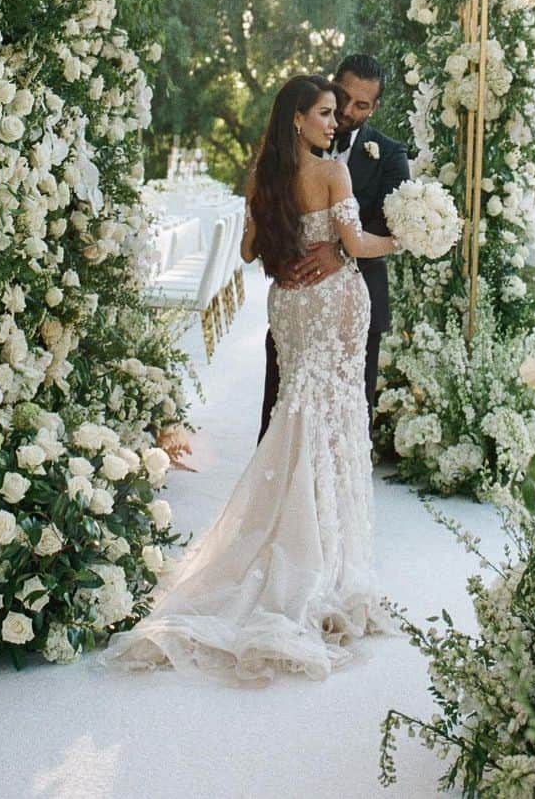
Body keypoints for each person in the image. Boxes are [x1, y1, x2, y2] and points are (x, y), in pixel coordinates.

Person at [104, 74, 401, 684]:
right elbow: (357, 242)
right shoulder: (332, 172)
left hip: (289, 307)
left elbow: (246, 253)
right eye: (323, 113)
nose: (333, 122)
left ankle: (291, 535)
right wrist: (406, 238)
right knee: (334, 416)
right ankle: (320, 557)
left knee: (300, 413)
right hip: (332, 306)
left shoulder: (265, 176)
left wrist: (293, 244)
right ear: (298, 118)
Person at [258, 54, 410, 443]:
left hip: (352, 306)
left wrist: (340, 251)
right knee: (280, 408)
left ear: (375, 107)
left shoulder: (390, 154)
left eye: (361, 105)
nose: (345, 112)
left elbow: (387, 225)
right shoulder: (283, 154)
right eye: (342, 98)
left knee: (345, 422)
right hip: (295, 299)